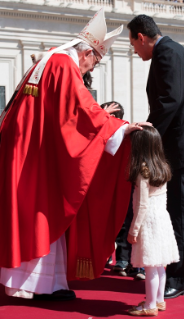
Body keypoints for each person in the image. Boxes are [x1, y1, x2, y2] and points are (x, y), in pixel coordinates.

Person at [0, 8, 149, 301]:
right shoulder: (64, 65)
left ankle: (23, 282)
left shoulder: (48, 59)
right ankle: (38, 286)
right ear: (87, 53)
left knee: (31, 212)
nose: (91, 70)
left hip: (27, 153)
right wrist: (119, 127)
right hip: (39, 157)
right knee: (44, 211)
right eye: (94, 62)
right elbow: (80, 110)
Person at [127, 14, 184, 299]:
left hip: (179, 144)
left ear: (141, 36)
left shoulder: (167, 52)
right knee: (177, 209)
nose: (134, 51)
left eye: (133, 44)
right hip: (180, 142)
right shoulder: (171, 51)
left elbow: (169, 101)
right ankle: (178, 271)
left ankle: (182, 276)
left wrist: (148, 135)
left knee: (181, 212)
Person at [127, 126, 179, 316]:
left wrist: (134, 229)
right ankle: (158, 300)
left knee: (150, 267)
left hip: (148, 221)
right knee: (159, 265)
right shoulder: (162, 166)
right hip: (162, 218)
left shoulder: (143, 171)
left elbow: (142, 205)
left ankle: (149, 305)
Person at [101, 101, 146, 280]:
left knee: (126, 223)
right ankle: (106, 256)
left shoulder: (130, 133)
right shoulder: (103, 133)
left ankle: (125, 260)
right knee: (107, 223)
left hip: (125, 186)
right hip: (104, 187)